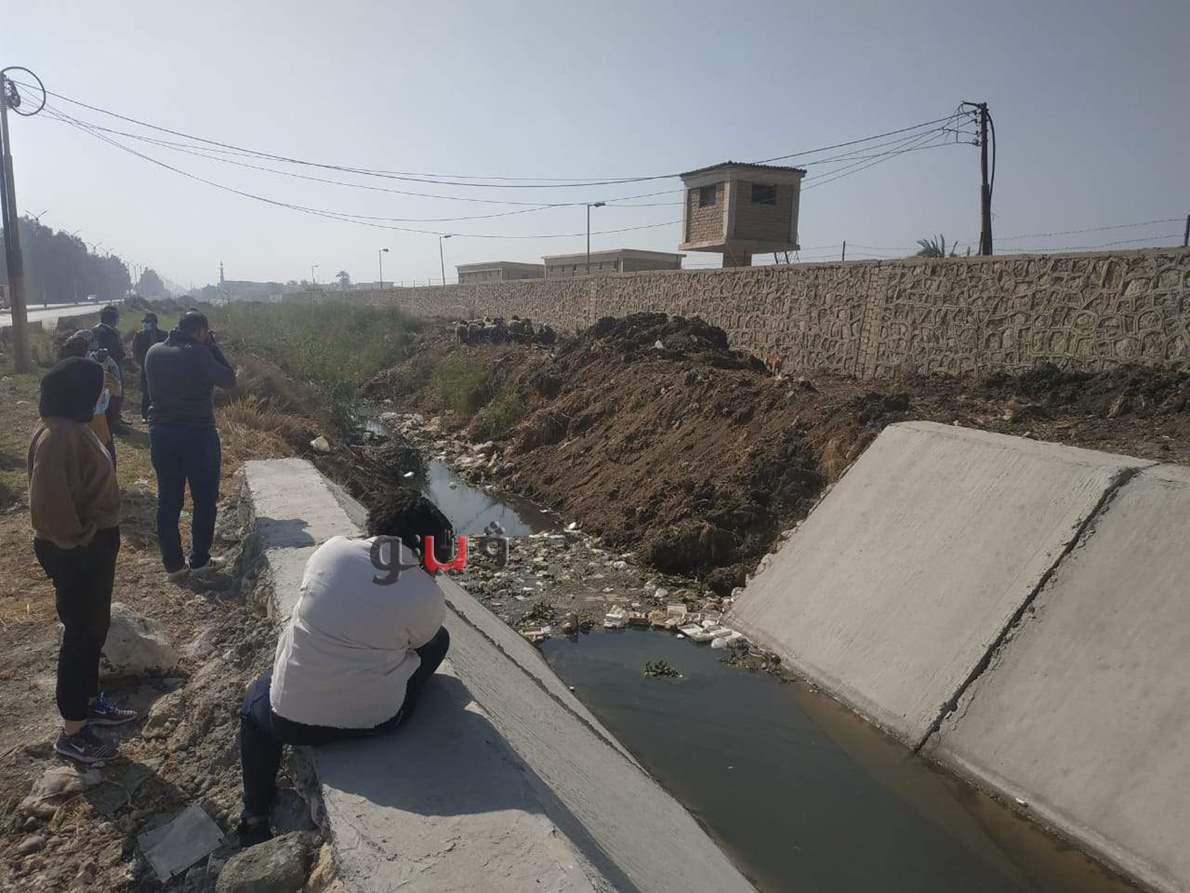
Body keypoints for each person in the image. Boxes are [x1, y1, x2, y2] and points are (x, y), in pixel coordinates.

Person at [237, 489, 454, 846]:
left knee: (255, 703)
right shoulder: (426, 596)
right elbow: (419, 642)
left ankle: (254, 814)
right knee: (438, 641)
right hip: (376, 721)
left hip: (287, 719)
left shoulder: (331, 551)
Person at [29, 357, 137, 765]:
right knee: (80, 635)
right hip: (76, 551)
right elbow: (48, 508)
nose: (102, 395)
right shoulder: (58, 436)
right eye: (96, 389)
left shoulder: (73, 426)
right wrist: (82, 540)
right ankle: (73, 731)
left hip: (90, 547)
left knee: (94, 629)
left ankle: (90, 702)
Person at [145, 311, 236, 581]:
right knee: (204, 499)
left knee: (168, 499)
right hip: (197, 434)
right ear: (201, 331)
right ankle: (199, 560)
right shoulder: (198, 353)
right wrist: (213, 348)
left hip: (161, 433)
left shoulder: (154, 352)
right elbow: (229, 380)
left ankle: (173, 565)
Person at [60, 331, 120, 467]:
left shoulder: (57, 375)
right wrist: (104, 364)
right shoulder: (99, 373)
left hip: (67, 435)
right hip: (98, 431)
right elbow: (116, 391)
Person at [91, 305, 126, 431]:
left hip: (103, 366)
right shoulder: (106, 333)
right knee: (114, 394)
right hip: (111, 367)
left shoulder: (95, 330)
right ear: (111, 319)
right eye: (116, 318)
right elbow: (114, 351)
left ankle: (116, 417)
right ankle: (113, 422)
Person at [131, 312, 167, 423]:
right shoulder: (140, 335)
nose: (145, 324)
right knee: (146, 392)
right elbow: (136, 351)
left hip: (161, 367)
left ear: (155, 323)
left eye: (148, 321)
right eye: (144, 321)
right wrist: (142, 362)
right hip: (146, 367)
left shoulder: (164, 334)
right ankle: (145, 415)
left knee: (161, 391)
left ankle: (161, 414)